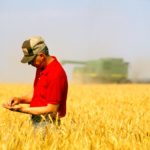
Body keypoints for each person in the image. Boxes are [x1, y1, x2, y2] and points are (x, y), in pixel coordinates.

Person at [3, 36, 68, 126]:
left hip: (48, 123)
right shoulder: (41, 66)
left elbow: (52, 109)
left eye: (31, 60)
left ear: (41, 56)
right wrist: (20, 99)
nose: (30, 64)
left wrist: (21, 109)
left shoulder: (55, 73)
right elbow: (38, 94)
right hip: (38, 120)